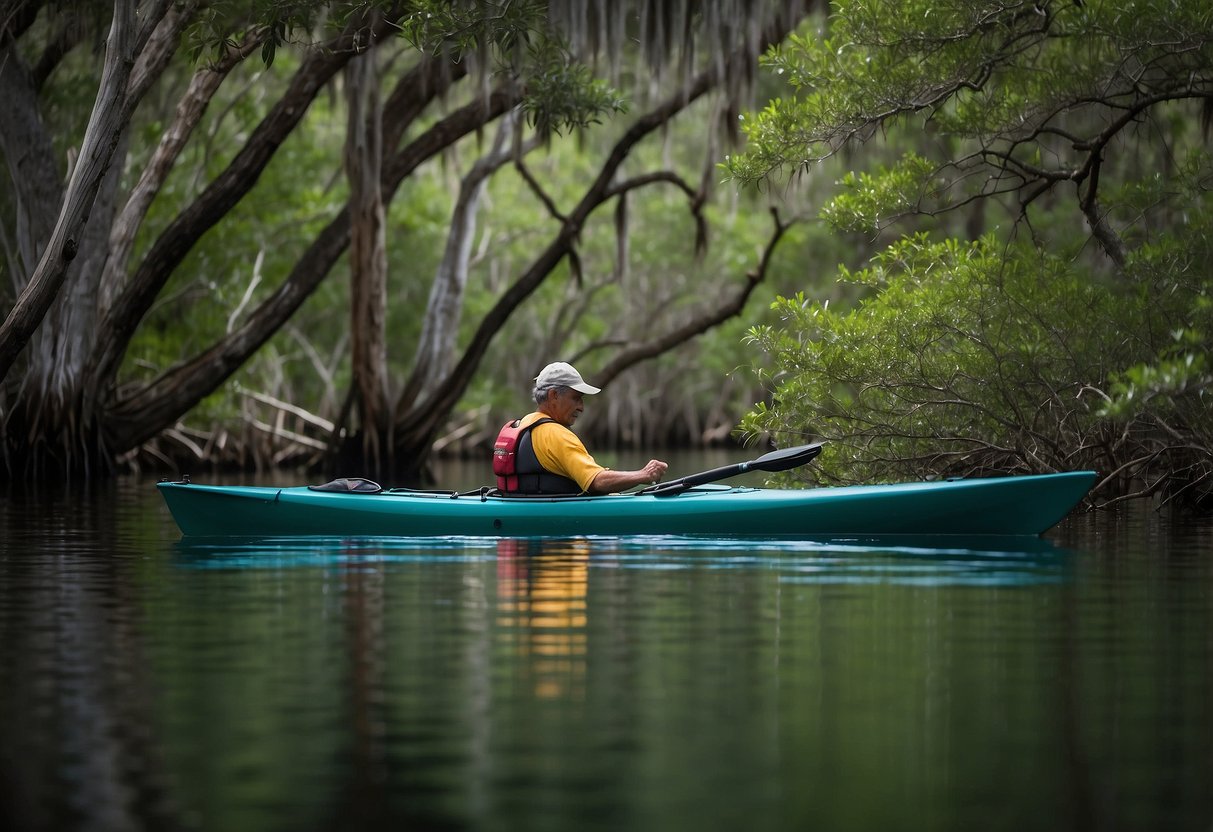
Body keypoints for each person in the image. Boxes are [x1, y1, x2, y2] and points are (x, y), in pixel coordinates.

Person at [502, 361, 668, 495]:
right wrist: (643, 475)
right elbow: (597, 482)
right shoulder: (556, 434)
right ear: (554, 395)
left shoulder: (523, 424)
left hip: (521, 507)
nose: (581, 407)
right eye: (576, 398)